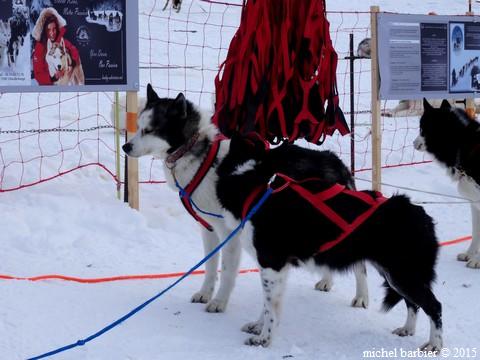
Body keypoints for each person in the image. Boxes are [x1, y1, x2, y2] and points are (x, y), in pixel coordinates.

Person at [32, 7, 81, 85]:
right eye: (48, 30)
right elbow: (38, 74)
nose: (52, 33)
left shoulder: (62, 41)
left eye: (54, 29)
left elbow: (74, 51)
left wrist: (72, 64)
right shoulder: (39, 48)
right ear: (44, 31)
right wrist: (53, 77)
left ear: (57, 28)